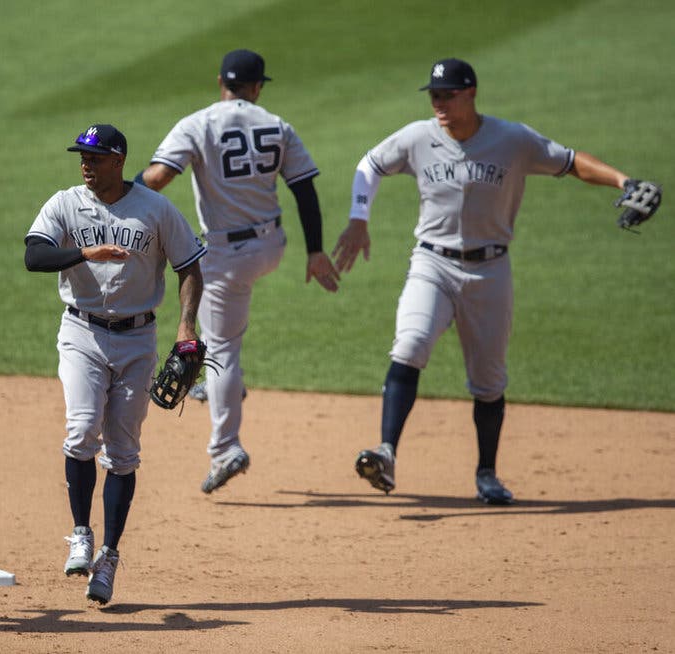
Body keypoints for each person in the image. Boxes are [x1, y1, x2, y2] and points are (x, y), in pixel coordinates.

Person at [332, 58, 647, 504]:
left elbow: (572, 162)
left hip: (490, 270)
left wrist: (623, 180)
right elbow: (370, 164)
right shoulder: (418, 137)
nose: (439, 103)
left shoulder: (512, 140)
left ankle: (487, 474)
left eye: (448, 95)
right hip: (432, 264)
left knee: (489, 380)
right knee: (409, 344)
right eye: (434, 95)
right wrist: (358, 218)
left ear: (471, 93)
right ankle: (386, 452)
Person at [137, 49, 340, 494]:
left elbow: (156, 179)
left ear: (220, 82)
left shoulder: (198, 123)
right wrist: (316, 252)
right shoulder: (276, 124)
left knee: (221, 348)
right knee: (220, 334)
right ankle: (221, 386)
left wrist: (122, 196)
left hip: (227, 255)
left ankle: (226, 447)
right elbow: (304, 189)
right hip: (272, 245)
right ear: (258, 86)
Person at [25, 123, 205, 605]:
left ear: (119, 161)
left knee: (123, 451)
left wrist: (186, 327)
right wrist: (85, 252)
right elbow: (33, 256)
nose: (86, 164)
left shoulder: (156, 209)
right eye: (82, 156)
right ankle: (81, 531)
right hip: (81, 331)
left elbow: (190, 266)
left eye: (97, 157)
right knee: (82, 430)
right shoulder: (65, 202)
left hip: (138, 338)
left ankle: (107, 557)